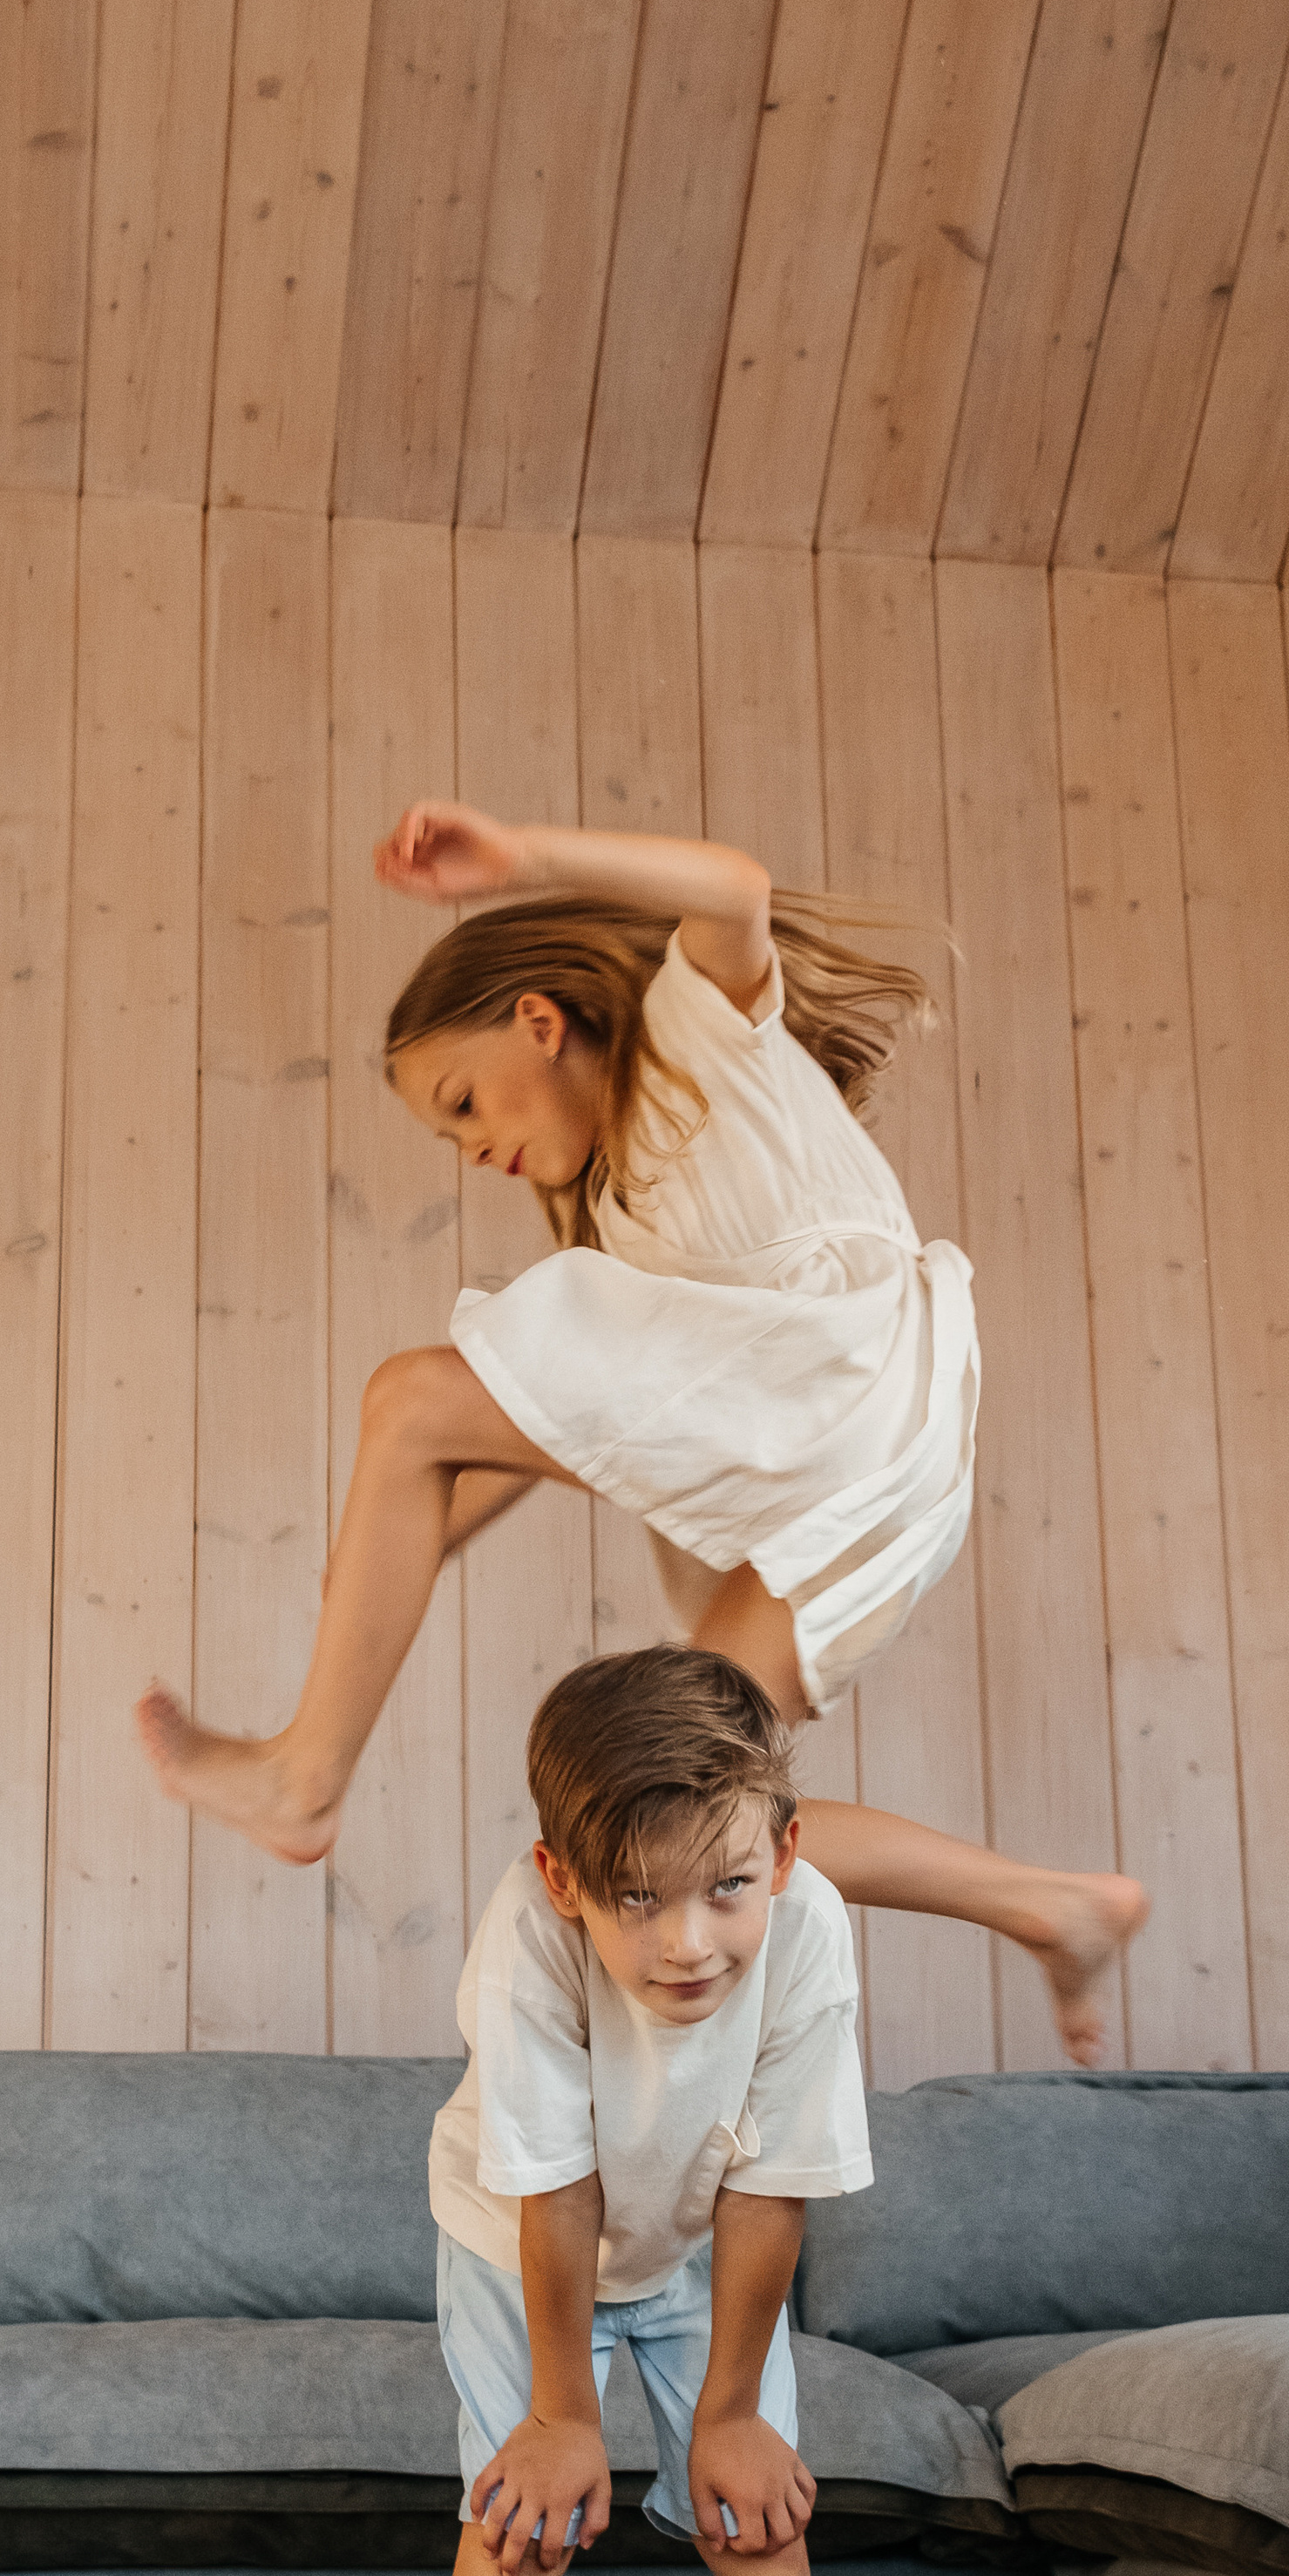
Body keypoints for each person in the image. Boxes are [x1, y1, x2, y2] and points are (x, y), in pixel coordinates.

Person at [142, 803, 1144, 2064]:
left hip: (839, 1402)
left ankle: (303, 1782)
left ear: (538, 1021)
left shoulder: (694, 1041)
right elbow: (547, 1437)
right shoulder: (617, 1219)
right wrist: (396, 1544)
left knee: (408, 1399)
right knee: (679, 1826)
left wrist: (520, 861)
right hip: (855, 1479)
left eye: (461, 1103)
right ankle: (1054, 1907)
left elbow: (733, 889)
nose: (472, 1150)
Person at [397, 1644, 936, 2576]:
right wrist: (565, 2414)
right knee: (518, 2535)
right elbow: (554, 2180)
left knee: (761, 2530)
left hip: (700, 2237)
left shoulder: (811, 1927)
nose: (688, 1941)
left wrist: (734, 2411)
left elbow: (780, 2179)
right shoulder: (525, 1933)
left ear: (785, 1852)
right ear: (567, 1879)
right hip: (524, 2233)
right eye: (639, 1899)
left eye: (726, 1890)